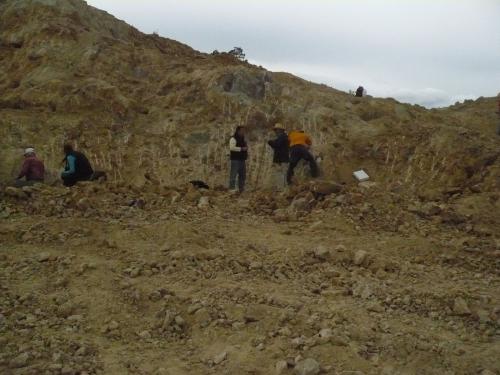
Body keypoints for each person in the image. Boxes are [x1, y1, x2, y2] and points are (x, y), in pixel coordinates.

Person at [267, 123, 289, 191]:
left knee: (280, 173)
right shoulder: (284, 137)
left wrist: (270, 142)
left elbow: (277, 145)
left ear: (280, 130)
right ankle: (283, 188)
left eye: (276, 130)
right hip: (283, 158)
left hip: (281, 159)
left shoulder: (282, 137)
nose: (275, 132)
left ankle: (281, 189)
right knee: (283, 173)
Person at [228, 126, 248, 192]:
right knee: (233, 175)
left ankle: (241, 189)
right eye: (242, 131)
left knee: (242, 175)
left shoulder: (242, 139)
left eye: (244, 131)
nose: (243, 132)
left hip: (242, 160)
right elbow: (232, 148)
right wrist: (241, 149)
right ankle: (231, 189)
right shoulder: (233, 139)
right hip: (235, 160)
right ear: (238, 131)